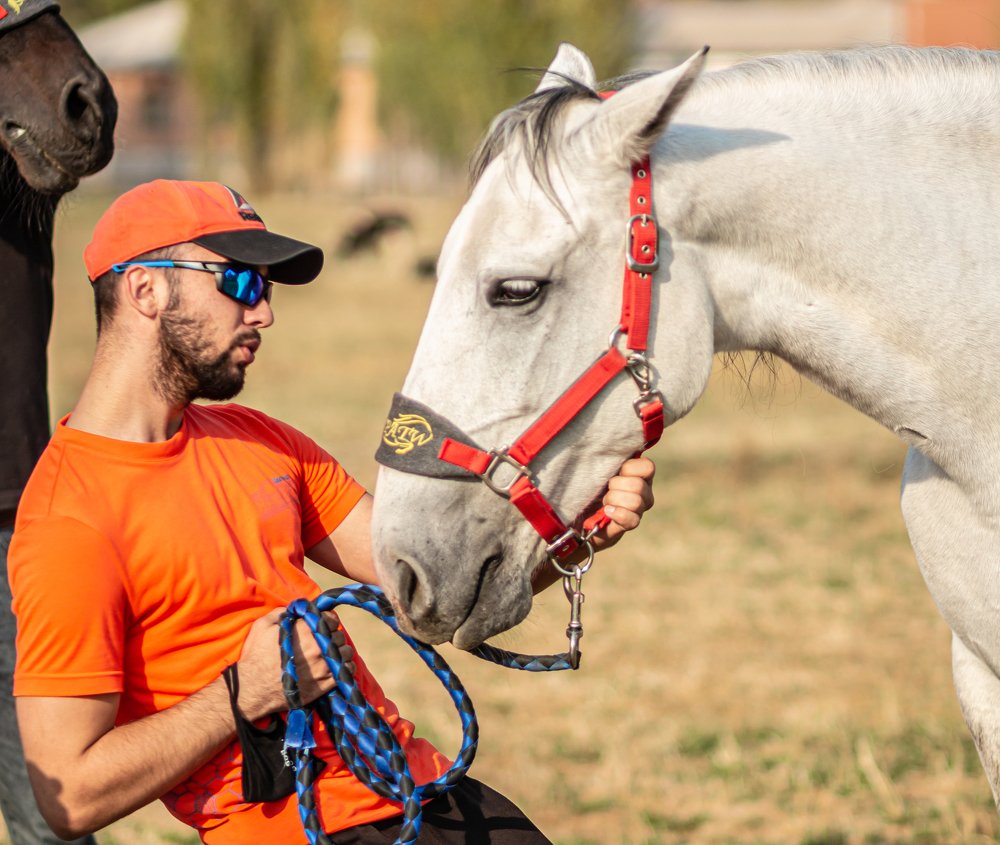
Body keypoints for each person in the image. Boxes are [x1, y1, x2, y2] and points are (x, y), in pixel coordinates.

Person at [7, 180, 655, 844]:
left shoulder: (261, 439)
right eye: (242, 282)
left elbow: (431, 587)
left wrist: (576, 528)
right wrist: (242, 692)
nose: (264, 314)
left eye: (268, 289)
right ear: (146, 289)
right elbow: (71, 796)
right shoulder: (69, 521)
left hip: (423, 790)